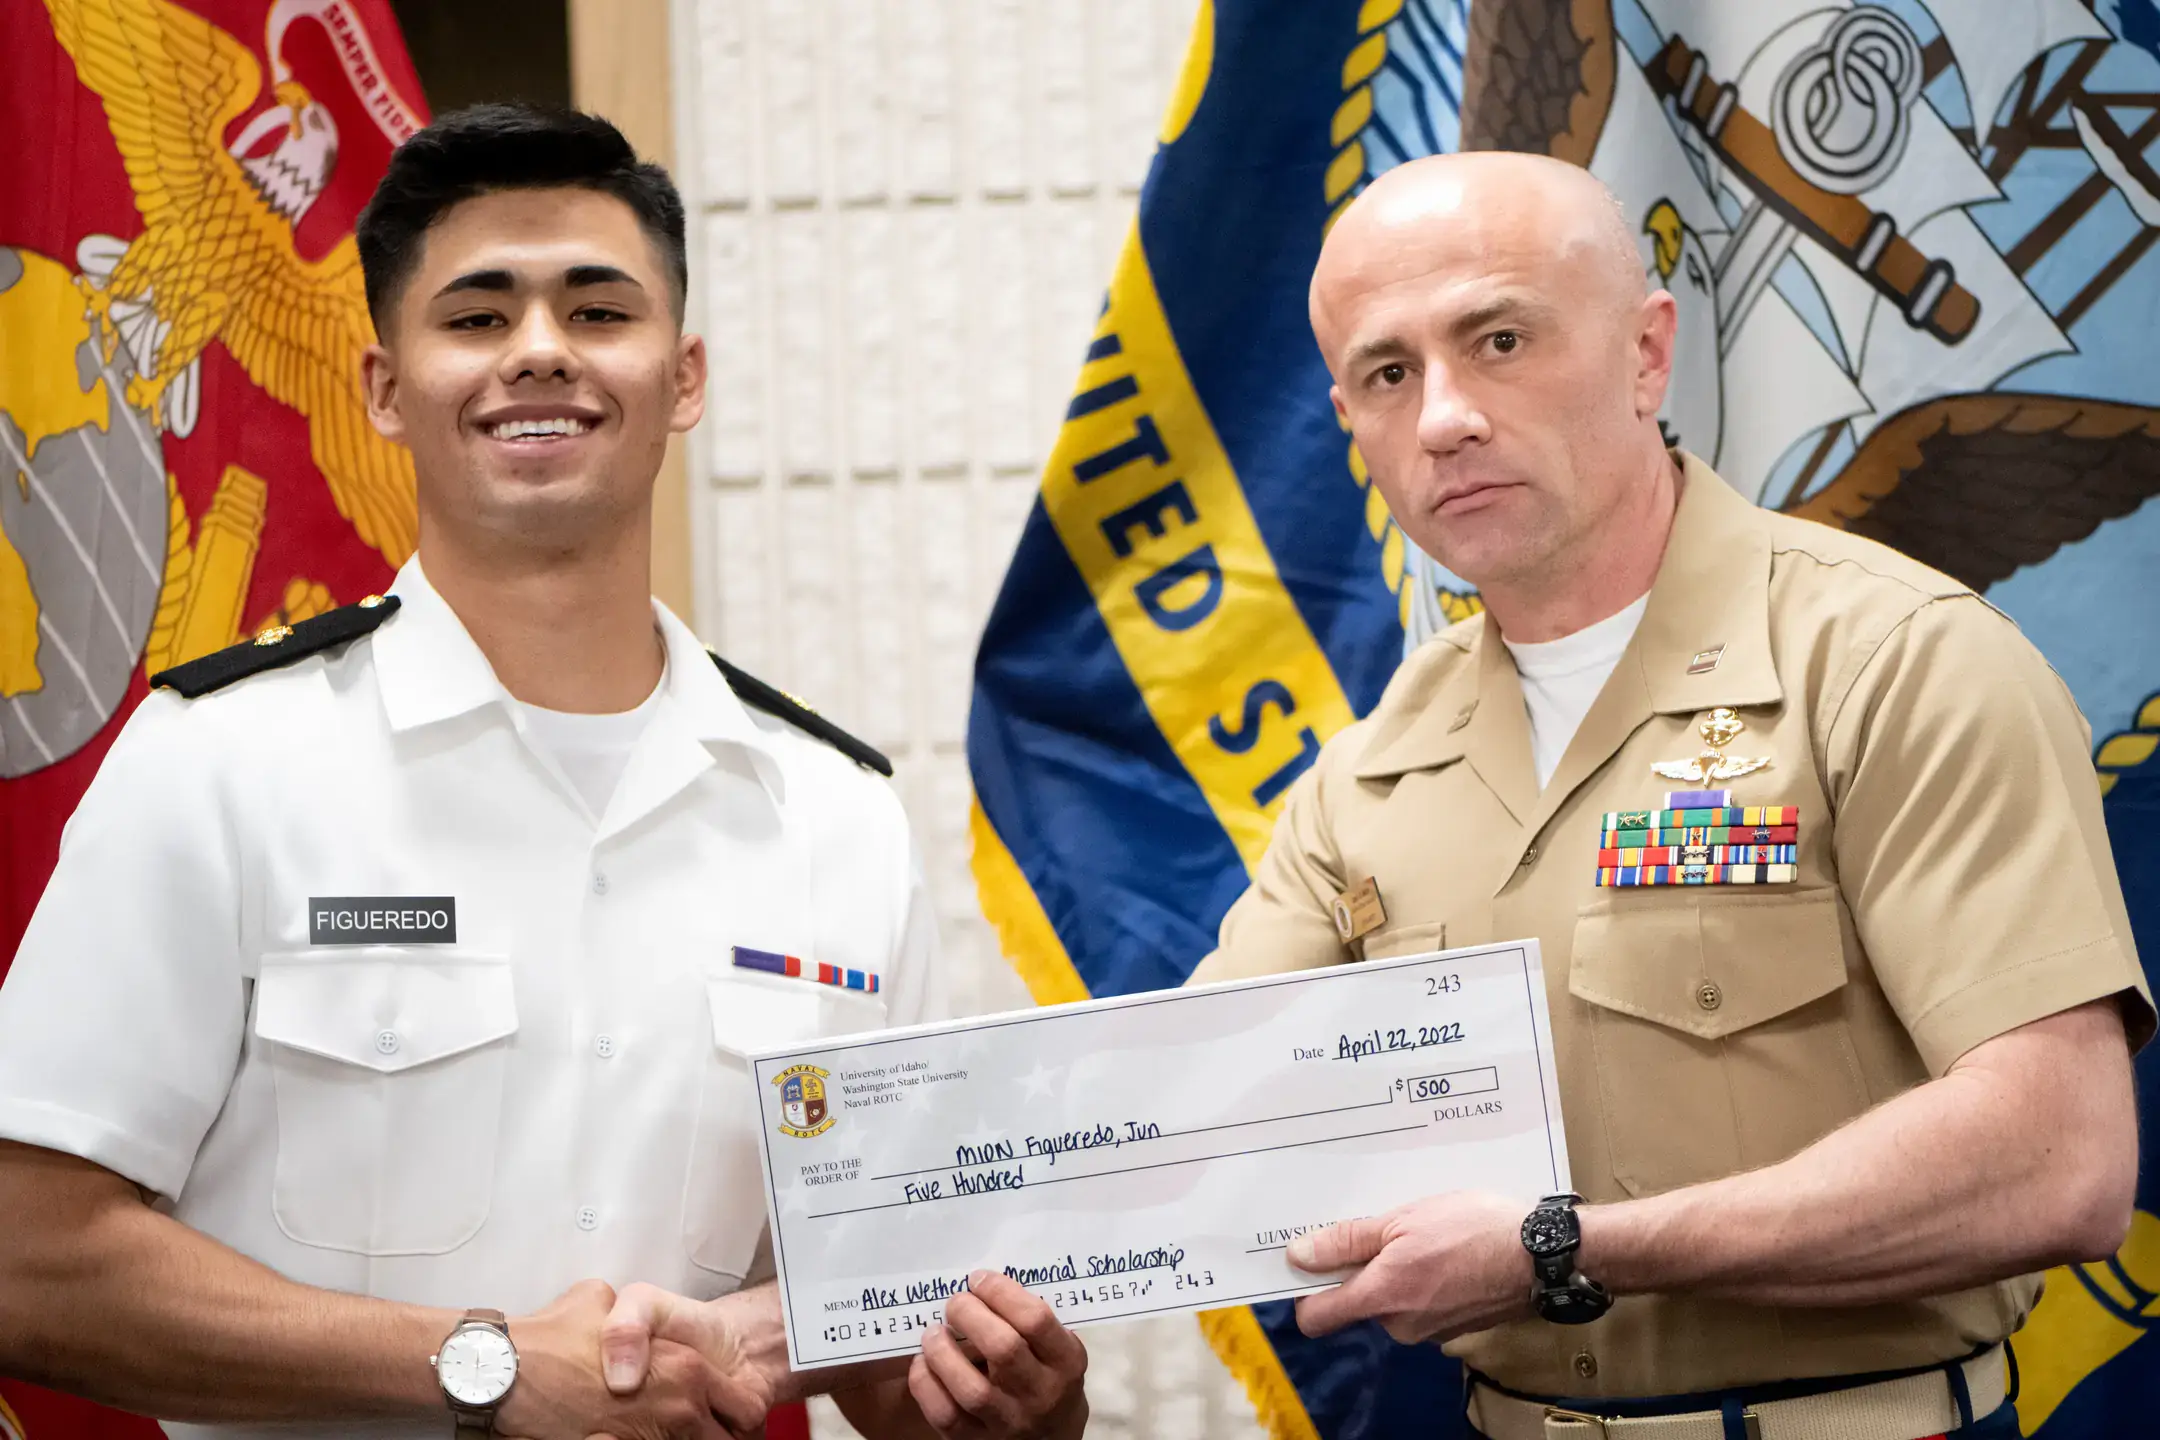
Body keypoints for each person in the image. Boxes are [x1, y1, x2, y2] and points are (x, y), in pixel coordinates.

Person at [0, 105, 1085, 1440]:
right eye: (475, 316)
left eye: (595, 309)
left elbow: (882, 1331)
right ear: (385, 390)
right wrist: (485, 1364)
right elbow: (29, 1258)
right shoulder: (220, 765)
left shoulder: (832, 818)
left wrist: (1008, 1402)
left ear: (684, 377)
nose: (538, 352)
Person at [1191, 151, 2152, 1439]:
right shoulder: (1369, 774)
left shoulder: (1888, 661)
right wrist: (912, 1267)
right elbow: (1189, 1117)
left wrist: (1562, 1247)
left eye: (1501, 339)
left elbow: (2057, 1163)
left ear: (1649, 355)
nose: (1444, 418)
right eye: (1388, 373)